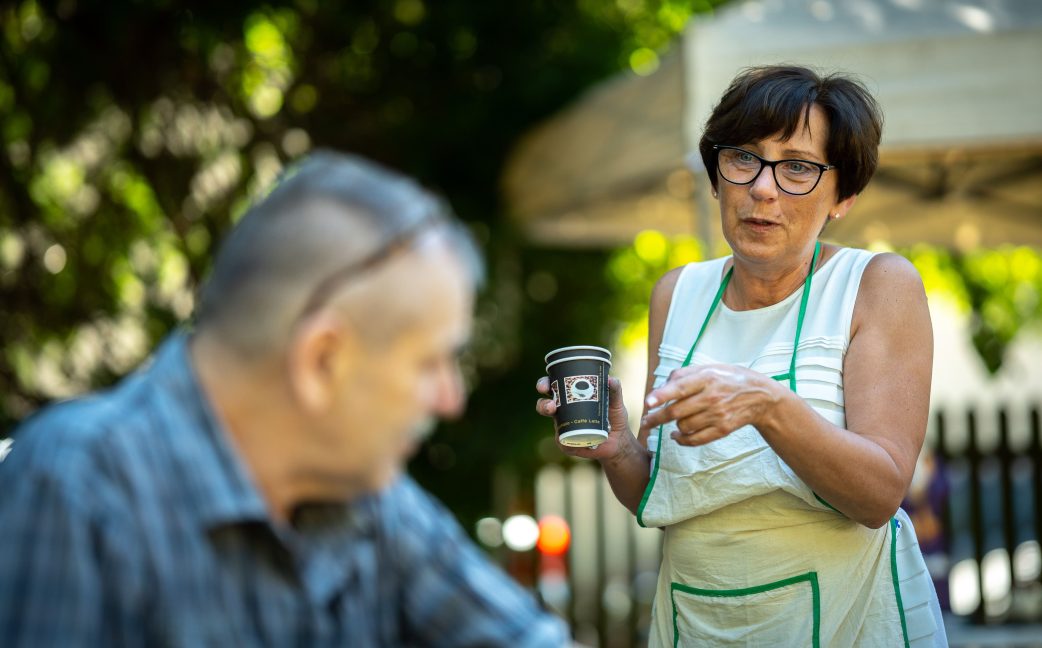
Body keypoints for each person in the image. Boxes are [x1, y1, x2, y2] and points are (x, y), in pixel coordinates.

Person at [0, 152, 570, 647]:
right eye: (431, 363)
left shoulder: (370, 498)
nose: (451, 400)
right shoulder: (77, 484)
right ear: (321, 360)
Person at [537, 65, 948, 646]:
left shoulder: (876, 285)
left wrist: (766, 404)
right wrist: (619, 449)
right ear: (716, 176)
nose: (762, 188)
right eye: (744, 158)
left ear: (844, 196)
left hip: (849, 618)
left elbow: (879, 495)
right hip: (696, 620)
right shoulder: (677, 293)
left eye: (799, 168)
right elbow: (667, 498)